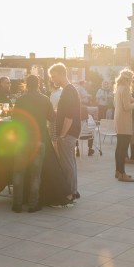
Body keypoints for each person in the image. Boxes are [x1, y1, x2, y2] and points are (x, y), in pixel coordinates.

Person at [11, 74, 54, 212]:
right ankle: (33, 204)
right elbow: (52, 117)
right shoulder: (45, 99)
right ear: (38, 84)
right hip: (38, 140)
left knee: (18, 173)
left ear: (26, 84)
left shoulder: (20, 99)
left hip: (22, 140)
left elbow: (14, 119)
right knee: (36, 174)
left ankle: (17, 204)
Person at [48, 63, 80, 202]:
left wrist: (62, 134)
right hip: (69, 133)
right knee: (71, 162)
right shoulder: (68, 90)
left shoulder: (68, 91)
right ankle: (74, 190)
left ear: (62, 74)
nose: (52, 80)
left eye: (54, 76)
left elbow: (69, 116)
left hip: (67, 133)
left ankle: (70, 193)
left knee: (67, 164)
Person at [113, 69, 134, 182]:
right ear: (129, 79)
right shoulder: (126, 88)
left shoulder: (118, 88)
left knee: (119, 146)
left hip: (118, 118)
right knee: (123, 147)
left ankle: (118, 171)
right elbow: (127, 107)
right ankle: (122, 174)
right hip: (124, 119)